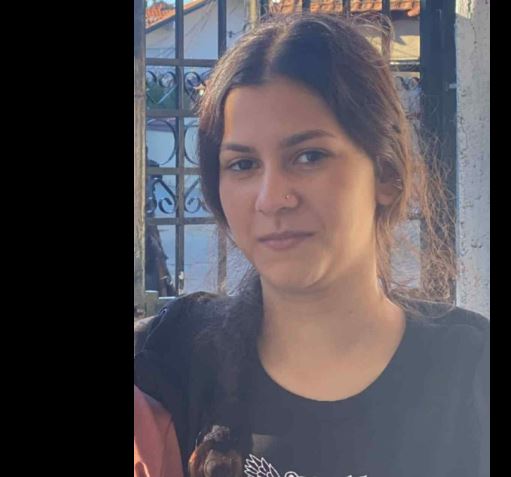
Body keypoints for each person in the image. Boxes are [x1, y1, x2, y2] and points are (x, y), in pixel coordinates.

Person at [135, 12, 489, 477]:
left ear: (386, 171)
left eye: (309, 156)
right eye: (242, 164)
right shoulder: (172, 362)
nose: (271, 198)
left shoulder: (471, 376)